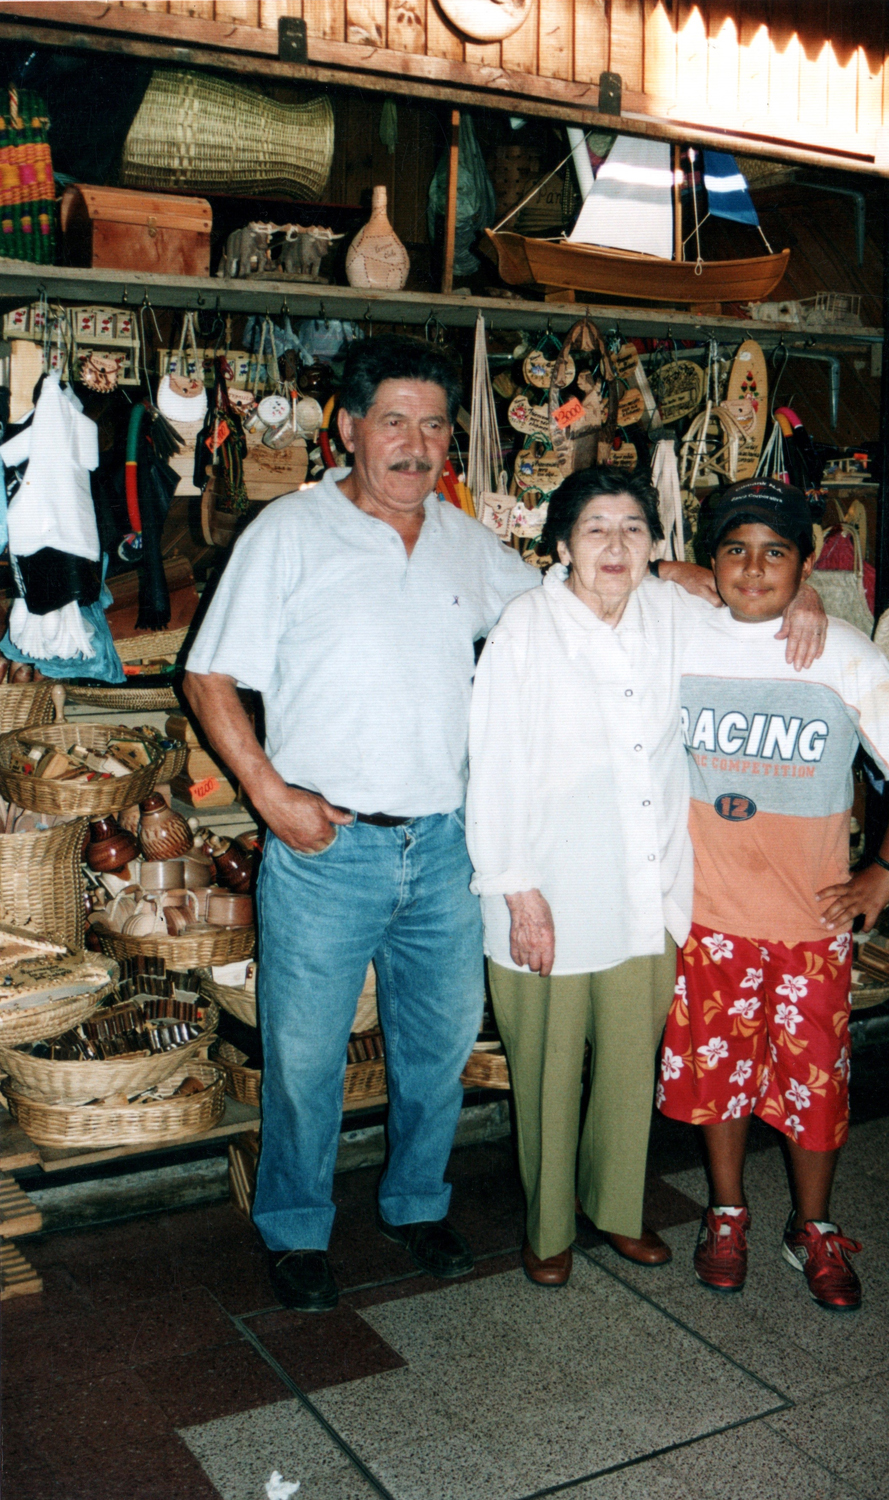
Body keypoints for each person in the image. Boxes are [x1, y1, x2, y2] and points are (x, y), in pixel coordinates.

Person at [182, 336, 543, 1311]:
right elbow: (208, 673)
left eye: (433, 426)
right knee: (304, 1056)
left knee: (437, 1044)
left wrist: (668, 577)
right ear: (347, 428)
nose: (415, 445)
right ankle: (296, 1227)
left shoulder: (465, 540)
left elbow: (563, 610)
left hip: (442, 849)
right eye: (394, 420)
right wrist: (266, 794)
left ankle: (416, 1205)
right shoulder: (288, 532)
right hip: (324, 850)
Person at [466, 468, 826, 1288]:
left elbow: (756, 614)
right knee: (551, 1072)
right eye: (595, 529)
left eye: (633, 529)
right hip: (547, 895)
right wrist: (519, 892)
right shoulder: (526, 627)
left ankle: (617, 1210)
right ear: (561, 546)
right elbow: (491, 770)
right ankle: (549, 1228)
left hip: (648, 892)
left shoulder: (671, 615)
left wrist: (805, 598)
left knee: (630, 1066)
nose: (615, 546)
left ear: (657, 546)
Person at [657, 478, 889, 1312]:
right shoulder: (679, 637)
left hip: (810, 922)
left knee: (815, 1083)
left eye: (777, 553)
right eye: (736, 550)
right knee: (722, 1079)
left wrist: (882, 875)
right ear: (712, 561)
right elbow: (616, 569)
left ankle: (812, 1227)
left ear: (806, 563)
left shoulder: (841, 649)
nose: (755, 569)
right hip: (708, 916)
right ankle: (727, 1212)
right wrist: (695, 577)